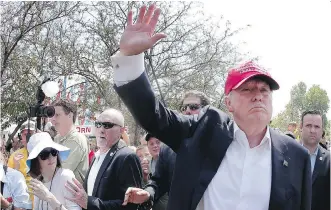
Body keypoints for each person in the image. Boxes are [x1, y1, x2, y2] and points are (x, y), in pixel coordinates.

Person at [114, 4, 311, 210]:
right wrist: (130, 58)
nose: (258, 96)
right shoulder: (204, 130)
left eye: (265, 90)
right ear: (228, 103)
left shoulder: (296, 156)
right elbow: (154, 117)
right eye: (248, 89)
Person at [126, 90, 210, 209]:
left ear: (207, 111)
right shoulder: (167, 149)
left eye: (193, 107)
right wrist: (148, 194)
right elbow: (158, 182)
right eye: (184, 107)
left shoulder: (219, 143)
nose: (187, 111)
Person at [64, 108, 145, 210]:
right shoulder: (96, 156)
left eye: (108, 125)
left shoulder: (127, 157)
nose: (101, 130)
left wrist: (89, 203)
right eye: (98, 124)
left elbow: (131, 205)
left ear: (121, 131)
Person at [26, 132, 81, 210]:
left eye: (53, 151)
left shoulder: (65, 176)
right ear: (35, 160)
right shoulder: (38, 181)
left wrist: (49, 197)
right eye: (44, 154)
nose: (51, 157)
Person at [51, 99, 89, 184]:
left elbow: (60, 173)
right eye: (52, 115)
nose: (53, 119)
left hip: (71, 195)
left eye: (57, 115)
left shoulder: (76, 139)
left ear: (70, 115)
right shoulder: (57, 138)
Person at [300, 110, 330, 210]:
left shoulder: (329, 160)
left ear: (322, 131)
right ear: (301, 127)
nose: (312, 130)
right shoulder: (287, 156)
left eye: (317, 127)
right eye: (308, 125)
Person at [7, 121, 36, 204]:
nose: (28, 137)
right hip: (23, 204)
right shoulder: (14, 156)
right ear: (21, 137)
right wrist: (16, 169)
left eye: (30, 133)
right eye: (25, 134)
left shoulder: (44, 153)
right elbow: (9, 184)